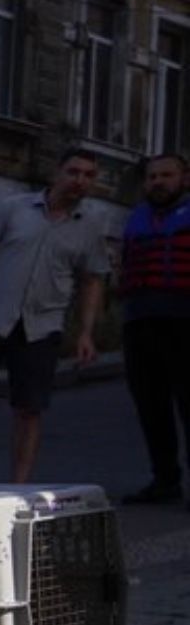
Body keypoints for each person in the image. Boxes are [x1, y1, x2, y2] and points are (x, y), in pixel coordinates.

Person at [0, 148, 109, 483]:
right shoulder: (14, 208)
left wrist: (86, 332)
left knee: (29, 409)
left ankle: (19, 486)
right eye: (74, 172)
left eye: (89, 176)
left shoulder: (89, 228)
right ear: (57, 173)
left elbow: (92, 279)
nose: (80, 181)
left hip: (41, 326)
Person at [116, 152, 190, 506]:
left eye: (166, 175)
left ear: (183, 179)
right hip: (140, 321)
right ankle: (165, 480)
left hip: (184, 322)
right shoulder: (137, 219)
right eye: (152, 177)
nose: (158, 182)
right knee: (151, 406)